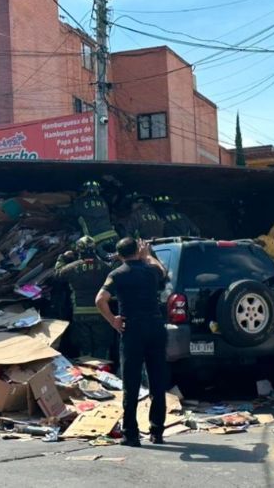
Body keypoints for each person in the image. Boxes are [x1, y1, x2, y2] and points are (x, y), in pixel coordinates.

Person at [95, 237, 168, 447]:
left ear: (119, 254)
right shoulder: (150, 270)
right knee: (157, 380)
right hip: (155, 328)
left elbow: (100, 299)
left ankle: (131, 435)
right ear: (137, 250)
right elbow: (161, 270)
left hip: (132, 329)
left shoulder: (117, 274)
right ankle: (157, 432)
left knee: (131, 381)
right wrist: (148, 256)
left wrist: (113, 320)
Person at [54, 236, 114, 360]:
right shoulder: (105, 267)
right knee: (101, 346)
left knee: (84, 347)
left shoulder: (72, 267)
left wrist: (63, 258)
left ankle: (87, 371)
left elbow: (57, 274)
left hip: (80, 314)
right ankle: (104, 372)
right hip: (101, 313)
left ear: (78, 250)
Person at [74, 181, 119, 254]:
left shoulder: (79, 202)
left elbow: (69, 212)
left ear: (85, 191)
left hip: (95, 239)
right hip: (113, 236)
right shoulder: (103, 201)